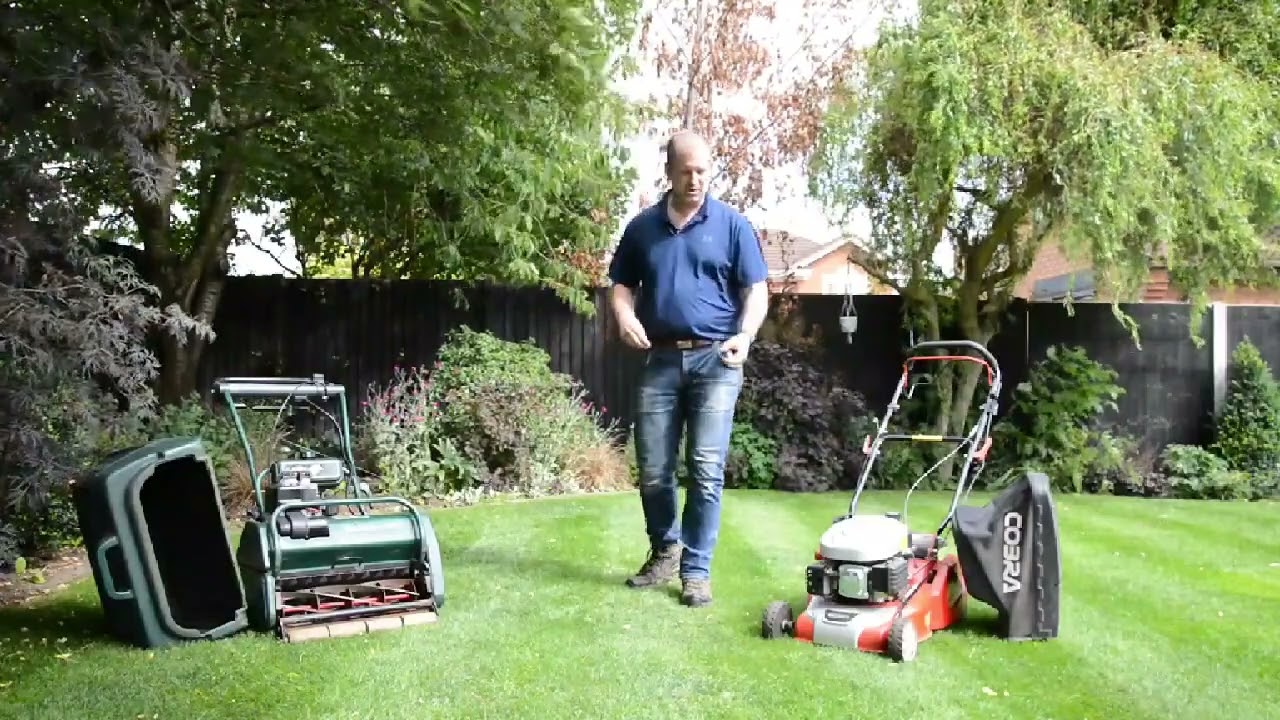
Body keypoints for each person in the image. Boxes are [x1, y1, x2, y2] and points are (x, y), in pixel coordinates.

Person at [606, 130, 770, 608]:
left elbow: (756, 290)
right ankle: (665, 551)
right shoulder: (643, 228)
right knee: (654, 469)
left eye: (702, 171)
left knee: (705, 467)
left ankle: (696, 571)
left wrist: (746, 335)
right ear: (669, 172)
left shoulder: (733, 226)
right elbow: (621, 285)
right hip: (659, 359)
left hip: (717, 360)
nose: (695, 180)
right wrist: (625, 317)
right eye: (686, 172)